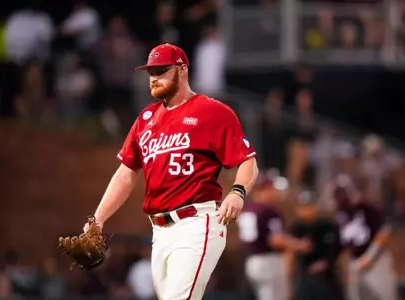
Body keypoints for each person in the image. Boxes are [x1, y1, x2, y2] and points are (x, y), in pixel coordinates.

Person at [84, 43, 259, 300]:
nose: (154, 78)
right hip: (160, 231)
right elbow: (126, 173)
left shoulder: (212, 112)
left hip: (197, 223)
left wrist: (238, 191)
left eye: (161, 70)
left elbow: (248, 161)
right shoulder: (146, 119)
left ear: (182, 70)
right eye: (151, 73)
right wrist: (97, 220)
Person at [236, 174, 311, 300]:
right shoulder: (268, 211)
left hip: (251, 261)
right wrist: (298, 245)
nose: (276, 192)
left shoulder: (247, 209)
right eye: (273, 188)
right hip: (269, 262)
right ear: (265, 189)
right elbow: (275, 240)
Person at [333, 174, 398, 300]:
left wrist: (368, 258)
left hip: (377, 263)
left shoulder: (367, 208)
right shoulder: (341, 217)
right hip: (356, 265)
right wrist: (345, 269)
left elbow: (384, 233)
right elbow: (339, 248)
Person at [287, 190, 345, 300]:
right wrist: (290, 280)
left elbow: (338, 250)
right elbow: (289, 256)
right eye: (303, 207)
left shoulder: (327, 226)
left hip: (327, 278)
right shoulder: (295, 228)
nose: (306, 210)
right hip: (304, 277)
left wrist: (327, 262)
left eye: (309, 206)